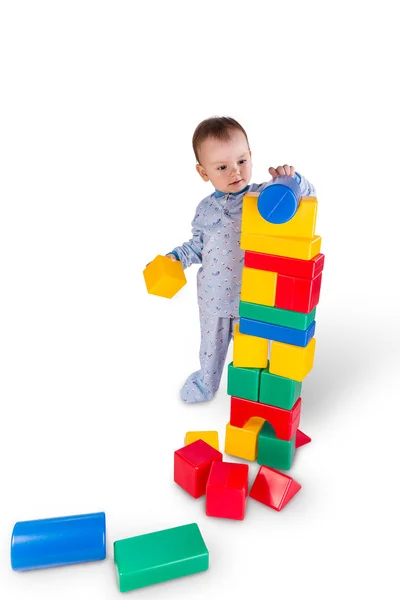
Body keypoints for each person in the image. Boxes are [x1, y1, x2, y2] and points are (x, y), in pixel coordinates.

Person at [164, 116, 315, 404]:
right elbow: (197, 246)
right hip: (214, 298)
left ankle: (255, 394)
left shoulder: (265, 196)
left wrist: (292, 180)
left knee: (254, 353)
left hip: (253, 299)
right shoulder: (205, 209)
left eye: (242, 161)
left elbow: (307, 195)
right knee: (211, 347)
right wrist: (175, 258)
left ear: (250, 156)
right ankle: (206, 383)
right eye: (222, 167)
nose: (235, 172)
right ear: (203, 172)